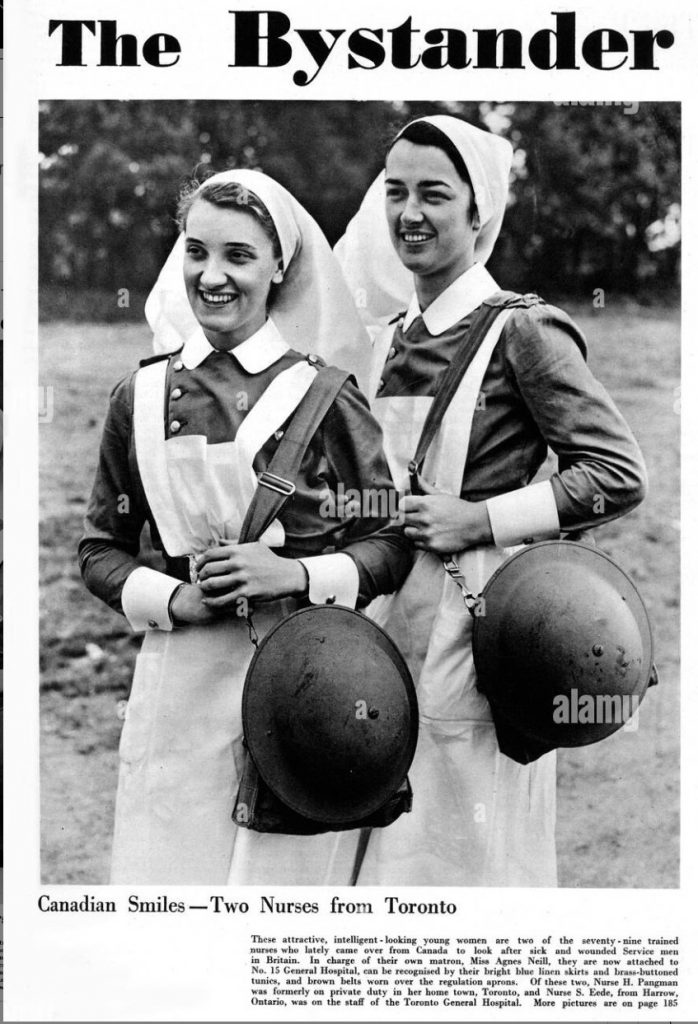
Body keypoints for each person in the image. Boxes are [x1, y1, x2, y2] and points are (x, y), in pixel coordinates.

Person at [335, 114, 648, 886]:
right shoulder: (383, 340)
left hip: (479, 629)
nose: (410, 213)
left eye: (434, 194)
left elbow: (615, 469)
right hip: (384, 615)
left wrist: (479, 518)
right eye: (396, 192)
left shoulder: (524, 328)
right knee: (375, 835)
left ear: (479, 212)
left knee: (465, 844)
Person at [78, 168, 411, 885]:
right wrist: (173, 600)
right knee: (170, 889)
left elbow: (389, 543)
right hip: (178, 685)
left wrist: (294, 574)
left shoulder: (325, 397)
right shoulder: (138, 397)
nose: (213, 276)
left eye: (238, 255)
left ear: (279, 267)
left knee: (280, 902)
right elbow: (99, 548)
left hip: (301, 686)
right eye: (197, 252)